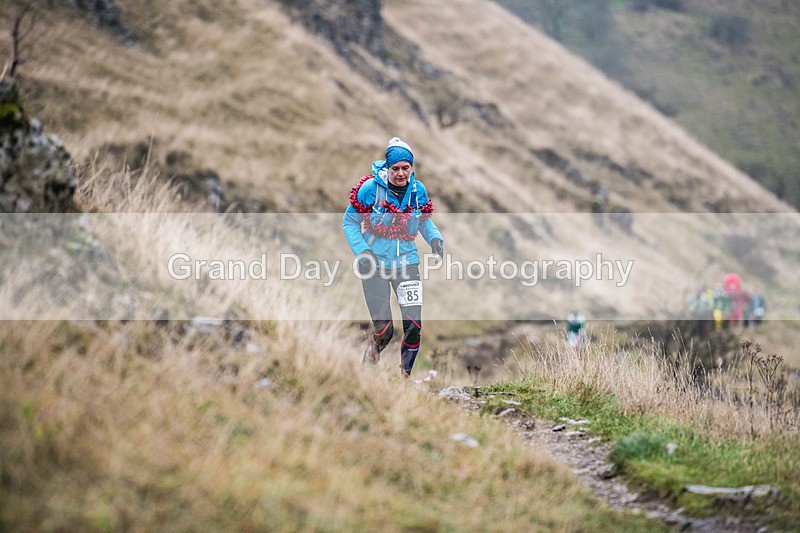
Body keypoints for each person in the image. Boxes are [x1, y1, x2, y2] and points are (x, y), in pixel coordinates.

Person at [343, 137, 444, 377]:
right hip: (374, 264)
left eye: (405, 168)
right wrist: (363, 252)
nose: (400, 173)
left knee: (413, 327)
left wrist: (435, 240)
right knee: (384, 329)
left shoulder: (418, 191)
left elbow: (423, 220)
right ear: (388, 168)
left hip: (407, 262)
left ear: (411, 168)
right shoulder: (370, 190)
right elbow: (349, 222)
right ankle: (371, 360)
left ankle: (405, 378)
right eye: (395, 168)